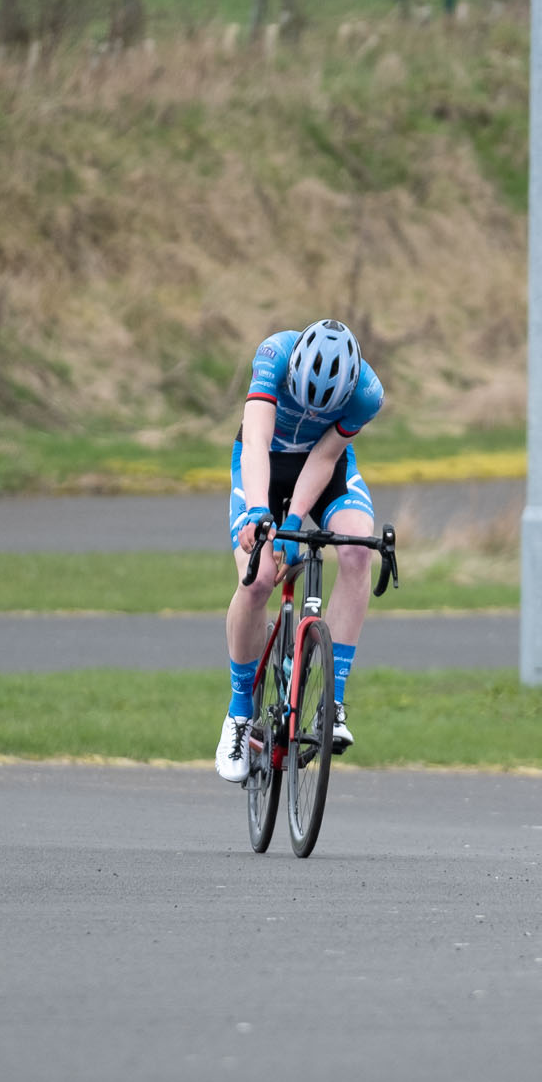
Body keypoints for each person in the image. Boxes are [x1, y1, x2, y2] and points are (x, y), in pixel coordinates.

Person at [215, 319, 384, 784]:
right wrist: (257, 513)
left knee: (356, 551)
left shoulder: (367, 394)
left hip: (321, 469)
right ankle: (238, 714)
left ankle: (333, 703)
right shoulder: (274, 354)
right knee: (259, 580)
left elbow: (326, 457)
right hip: (264, 462)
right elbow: (254, 442)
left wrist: (293, 523)